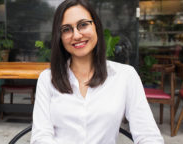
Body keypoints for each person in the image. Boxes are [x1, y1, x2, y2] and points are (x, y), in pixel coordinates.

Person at [31, 0, 164, 143]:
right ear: (60, 37)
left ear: (96, 27)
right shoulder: (47, 78)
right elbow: (41, 137)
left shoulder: (125, 76)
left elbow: (148, 135)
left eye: (83, 24)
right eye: (66, 29)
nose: (76, 35)